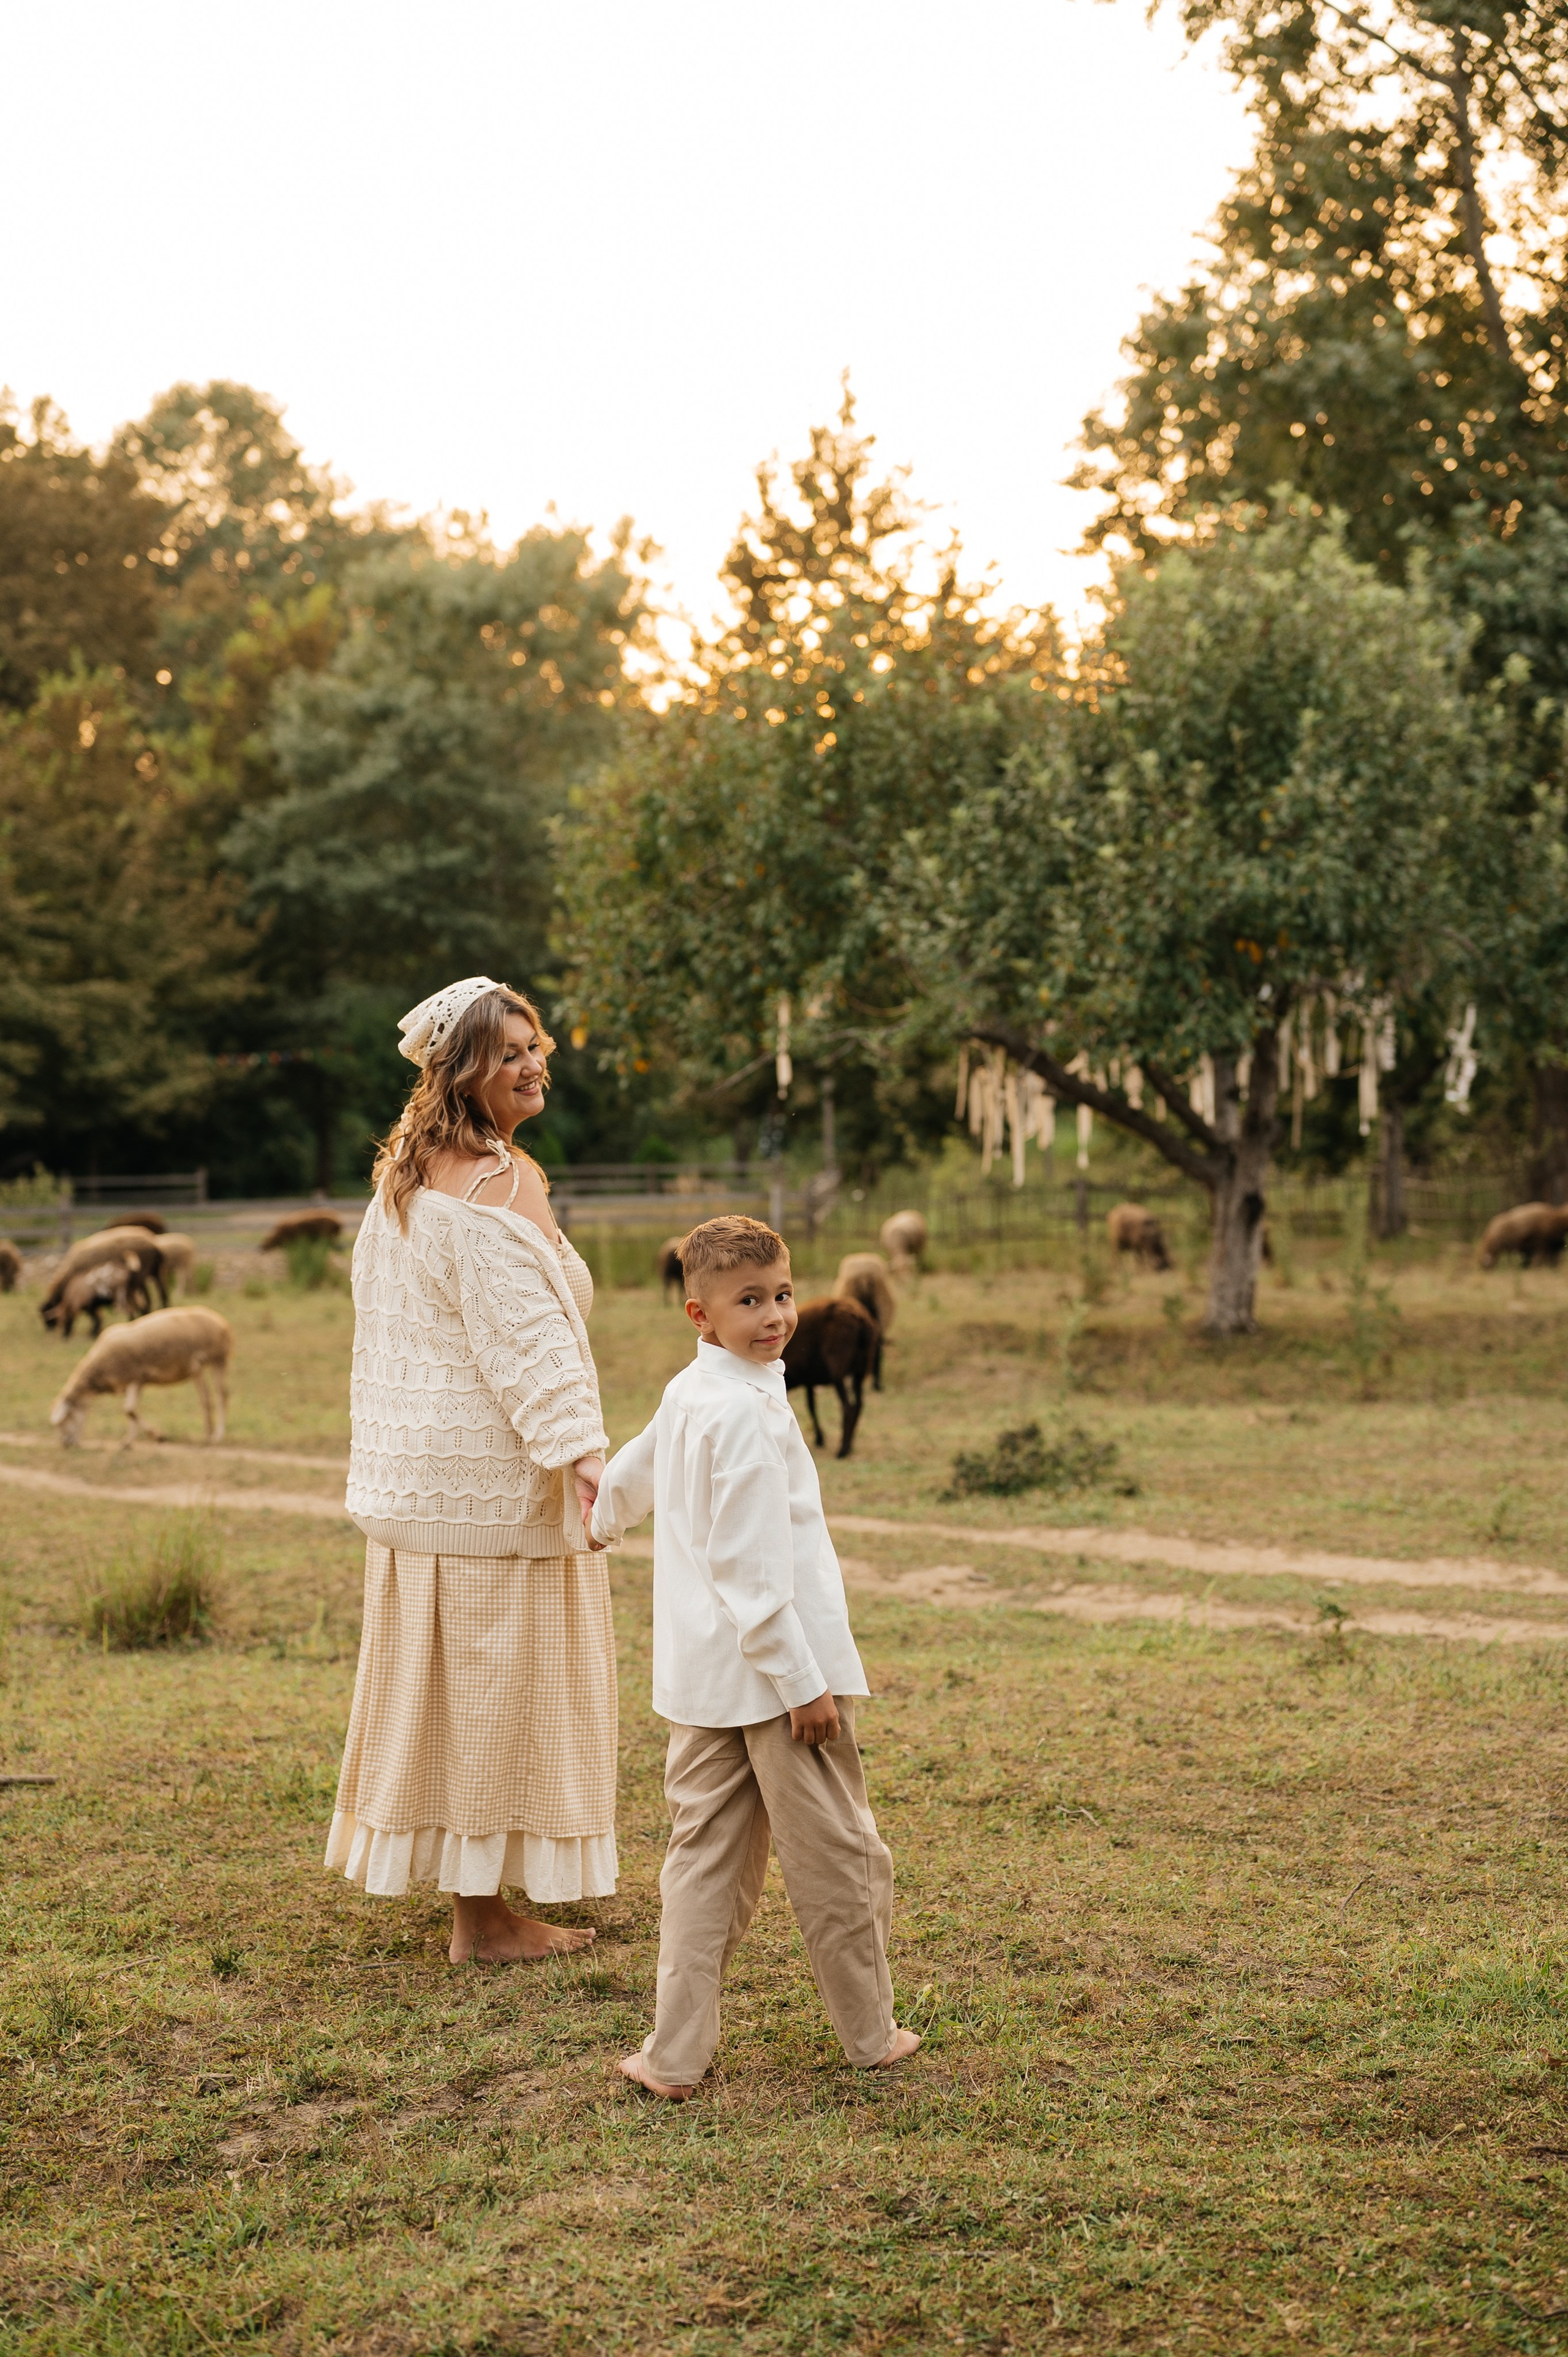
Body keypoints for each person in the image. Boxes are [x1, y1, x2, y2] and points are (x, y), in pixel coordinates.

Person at [589, 1213, 920, 2096]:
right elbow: (749, 1565)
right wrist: (802, 1681)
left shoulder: (697, 1391)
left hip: (703, 1683)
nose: (774, 1316)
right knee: (840, 1857)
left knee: (703, 1865)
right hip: (779, 1685)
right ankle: (869, 2033)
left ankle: (674, 2054)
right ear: (700, 1314)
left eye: (780, 1294)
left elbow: (639, 1466)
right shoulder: (741, 1413)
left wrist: (603, 1514)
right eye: (749, 1302)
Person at [324, 975, 615, 1965]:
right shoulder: (501, 1178)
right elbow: (525, 1338)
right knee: (495, 1694)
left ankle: (477, 1905)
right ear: (463, 1072)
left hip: (426, 1487)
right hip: (495, 1482)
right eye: (508, 1054)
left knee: (456, 1698)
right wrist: (582, 1451)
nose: (532, 1065)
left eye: (537, 1047)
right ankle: (484, 1922)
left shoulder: (407, 1178)